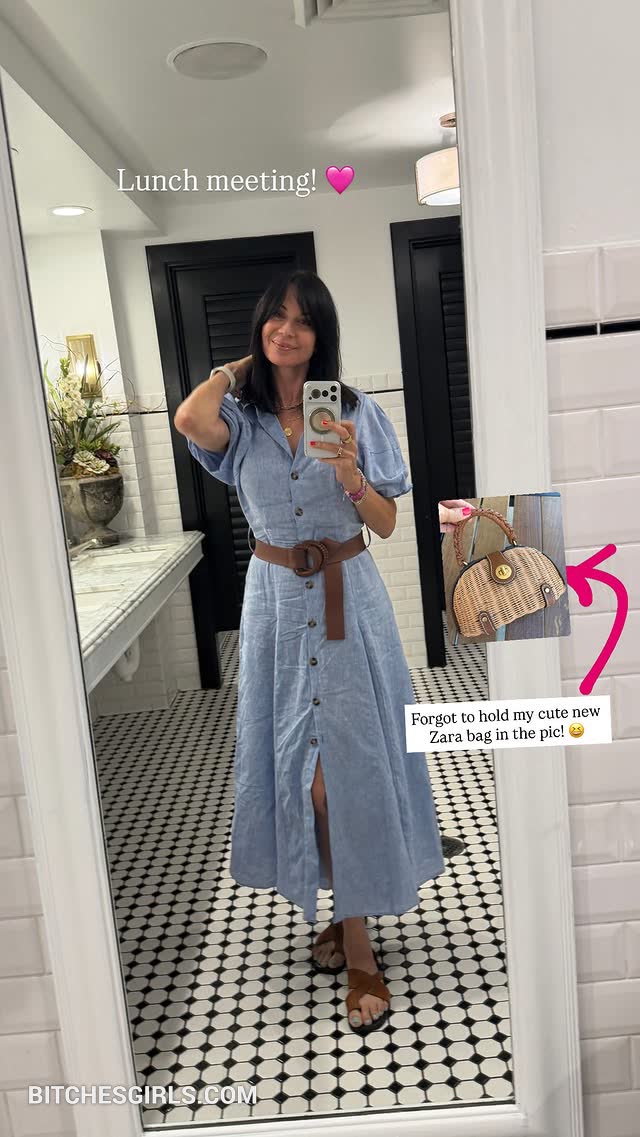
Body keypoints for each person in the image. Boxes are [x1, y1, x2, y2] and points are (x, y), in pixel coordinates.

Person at [174, 269, 469, 1034]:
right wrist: (240, 366)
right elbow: (186, 418)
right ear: (260, 327)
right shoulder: (238, 418)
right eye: (276, 317)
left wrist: (352, 476)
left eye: (303, 321)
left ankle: (358, 940)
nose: (288, 330)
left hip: (348, 599)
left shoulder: (356, 411)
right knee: (305, 779)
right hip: (276, 607)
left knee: (348, 773)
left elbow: (388, 522)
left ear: (323, 333)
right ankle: (339, 913)